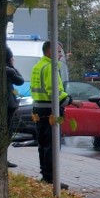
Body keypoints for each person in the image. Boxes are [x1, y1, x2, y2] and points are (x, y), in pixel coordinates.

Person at [30, 41, 72, 190]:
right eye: (59, 51)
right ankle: (51, 178)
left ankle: (46, 175)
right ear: (50, 51)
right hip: (51, 110)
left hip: (38, 109)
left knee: (43, 144)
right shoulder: (50, 68)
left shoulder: (38, 66)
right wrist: (69, 100)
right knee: (53, 145)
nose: (61, 55)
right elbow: (54, 90)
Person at [6, 47, 24, 167]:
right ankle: (3, 158)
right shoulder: (9, 70)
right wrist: (12, 66)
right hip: (8, 105)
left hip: (5, 104)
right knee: (7, 132)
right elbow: (20, 81)